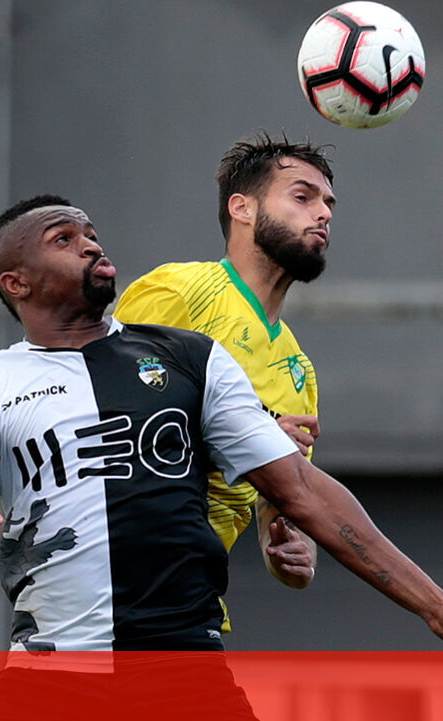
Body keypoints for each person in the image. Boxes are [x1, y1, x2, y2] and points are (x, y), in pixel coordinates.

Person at [0, 193, 443, 655]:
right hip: (51, 670)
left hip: (183, 662)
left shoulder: (191, 359)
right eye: (64, 239)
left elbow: (300, 489)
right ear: (17, 283)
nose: (91, 244)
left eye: (91, 234)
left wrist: (436, 606)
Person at [113, 132, 332, 633]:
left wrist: (294, 551)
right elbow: (110, 431)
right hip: (114, 594)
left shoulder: (299, 369)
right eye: (303, 197)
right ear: (242, 208)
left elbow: (279, 501)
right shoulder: (178, 292)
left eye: (327, 203)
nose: (323, 213)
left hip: (192, 602)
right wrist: (250, 438)